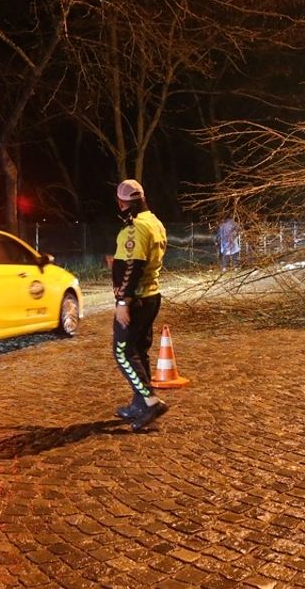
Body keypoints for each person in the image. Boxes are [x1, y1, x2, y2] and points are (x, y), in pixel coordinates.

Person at [111, 179, 169, 431]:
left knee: (122, 352)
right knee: (139, 350)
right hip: (152, 296)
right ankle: (139, 403)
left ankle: (149, 400)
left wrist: (123, 301)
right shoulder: (155, 223)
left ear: (123, 202)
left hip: (136, 301)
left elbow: (133, 267)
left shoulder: (133, 230)